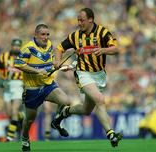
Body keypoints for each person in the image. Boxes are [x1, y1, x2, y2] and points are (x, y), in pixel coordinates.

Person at [52, 7, 122, 147]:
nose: (79, 23)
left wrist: (103, 50)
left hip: (99, 75)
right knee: (100, 100)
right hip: (83, 73)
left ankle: (64, 112)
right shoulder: (75, 36)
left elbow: (116, 49)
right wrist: (57, 61)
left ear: (91, 19)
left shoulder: (103, 33)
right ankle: (111, 134)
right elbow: (59, 48)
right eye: (78, 20)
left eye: (81, 20)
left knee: (86, 110)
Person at [14, 24, 71, 152]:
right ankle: (25, 139)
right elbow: (18, 64)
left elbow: (50, 64)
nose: (45, 37)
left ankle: (56, 122)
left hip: (47, 85)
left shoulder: (50, 45)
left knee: (66, 101)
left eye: (47, 34)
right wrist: (36, 71)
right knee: (29, 120)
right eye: (43, 34)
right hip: (32, 89)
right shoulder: (28, 48)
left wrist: (60, 67)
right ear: (36, 35)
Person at [0, 38, 24, 141]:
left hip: (18, 84)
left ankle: (10, 135)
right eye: (14, 45)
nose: (16, 47)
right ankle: (21, 116)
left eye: (18, 45)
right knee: (9, 113)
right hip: (7, 85)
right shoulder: (4, 57)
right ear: (11, 46)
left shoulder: (24, 57)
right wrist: (1, 79)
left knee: (14, 110)